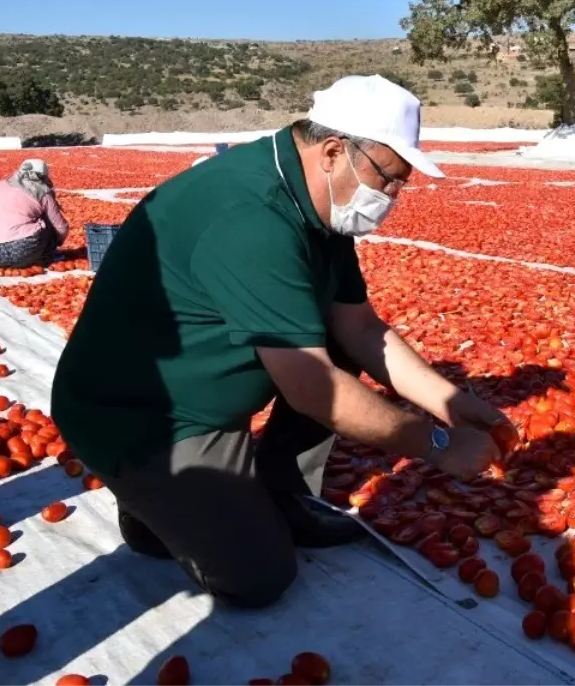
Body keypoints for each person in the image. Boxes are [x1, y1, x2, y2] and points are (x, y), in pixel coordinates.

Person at [51, 75, 513, 608]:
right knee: (259, 578)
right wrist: (438, 445)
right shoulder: (252, 220)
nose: (391, 197)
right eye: (388, 178)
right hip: (141, 417)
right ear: (334, 152)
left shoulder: (317, 204)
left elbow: (360, 328)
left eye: (400, 183)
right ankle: (145, 502)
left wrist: (453, 406)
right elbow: (316, 392)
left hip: (202, 396)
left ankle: (279, 492)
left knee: (334, 342)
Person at [0, 159, 69, 269]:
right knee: (47, 221)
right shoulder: (41, 192)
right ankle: (44, 257)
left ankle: (0, 264)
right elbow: (61, 227)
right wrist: (56, 242)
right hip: (22, 251)